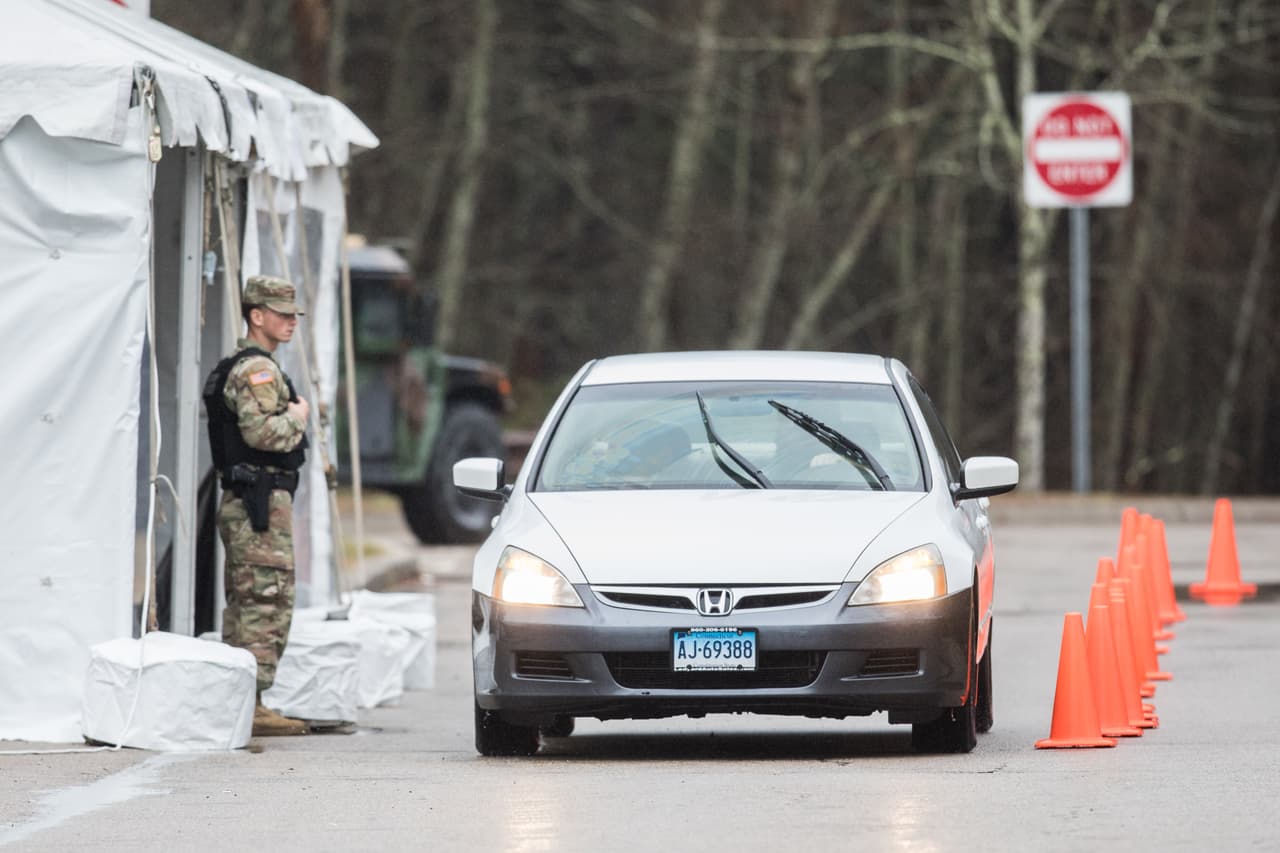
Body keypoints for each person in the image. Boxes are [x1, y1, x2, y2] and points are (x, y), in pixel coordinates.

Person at [203, 275, 311, 737]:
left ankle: (245, 697)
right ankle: (251, 702)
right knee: (265, 597)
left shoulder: (254, 366)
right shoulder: (256, 371)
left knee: (251, 596)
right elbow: (261, 433)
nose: (290, 323)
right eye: (281, 314)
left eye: (293, 315)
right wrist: (297, 417)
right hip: (257, 503)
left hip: (256, 500)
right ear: (256, 316)